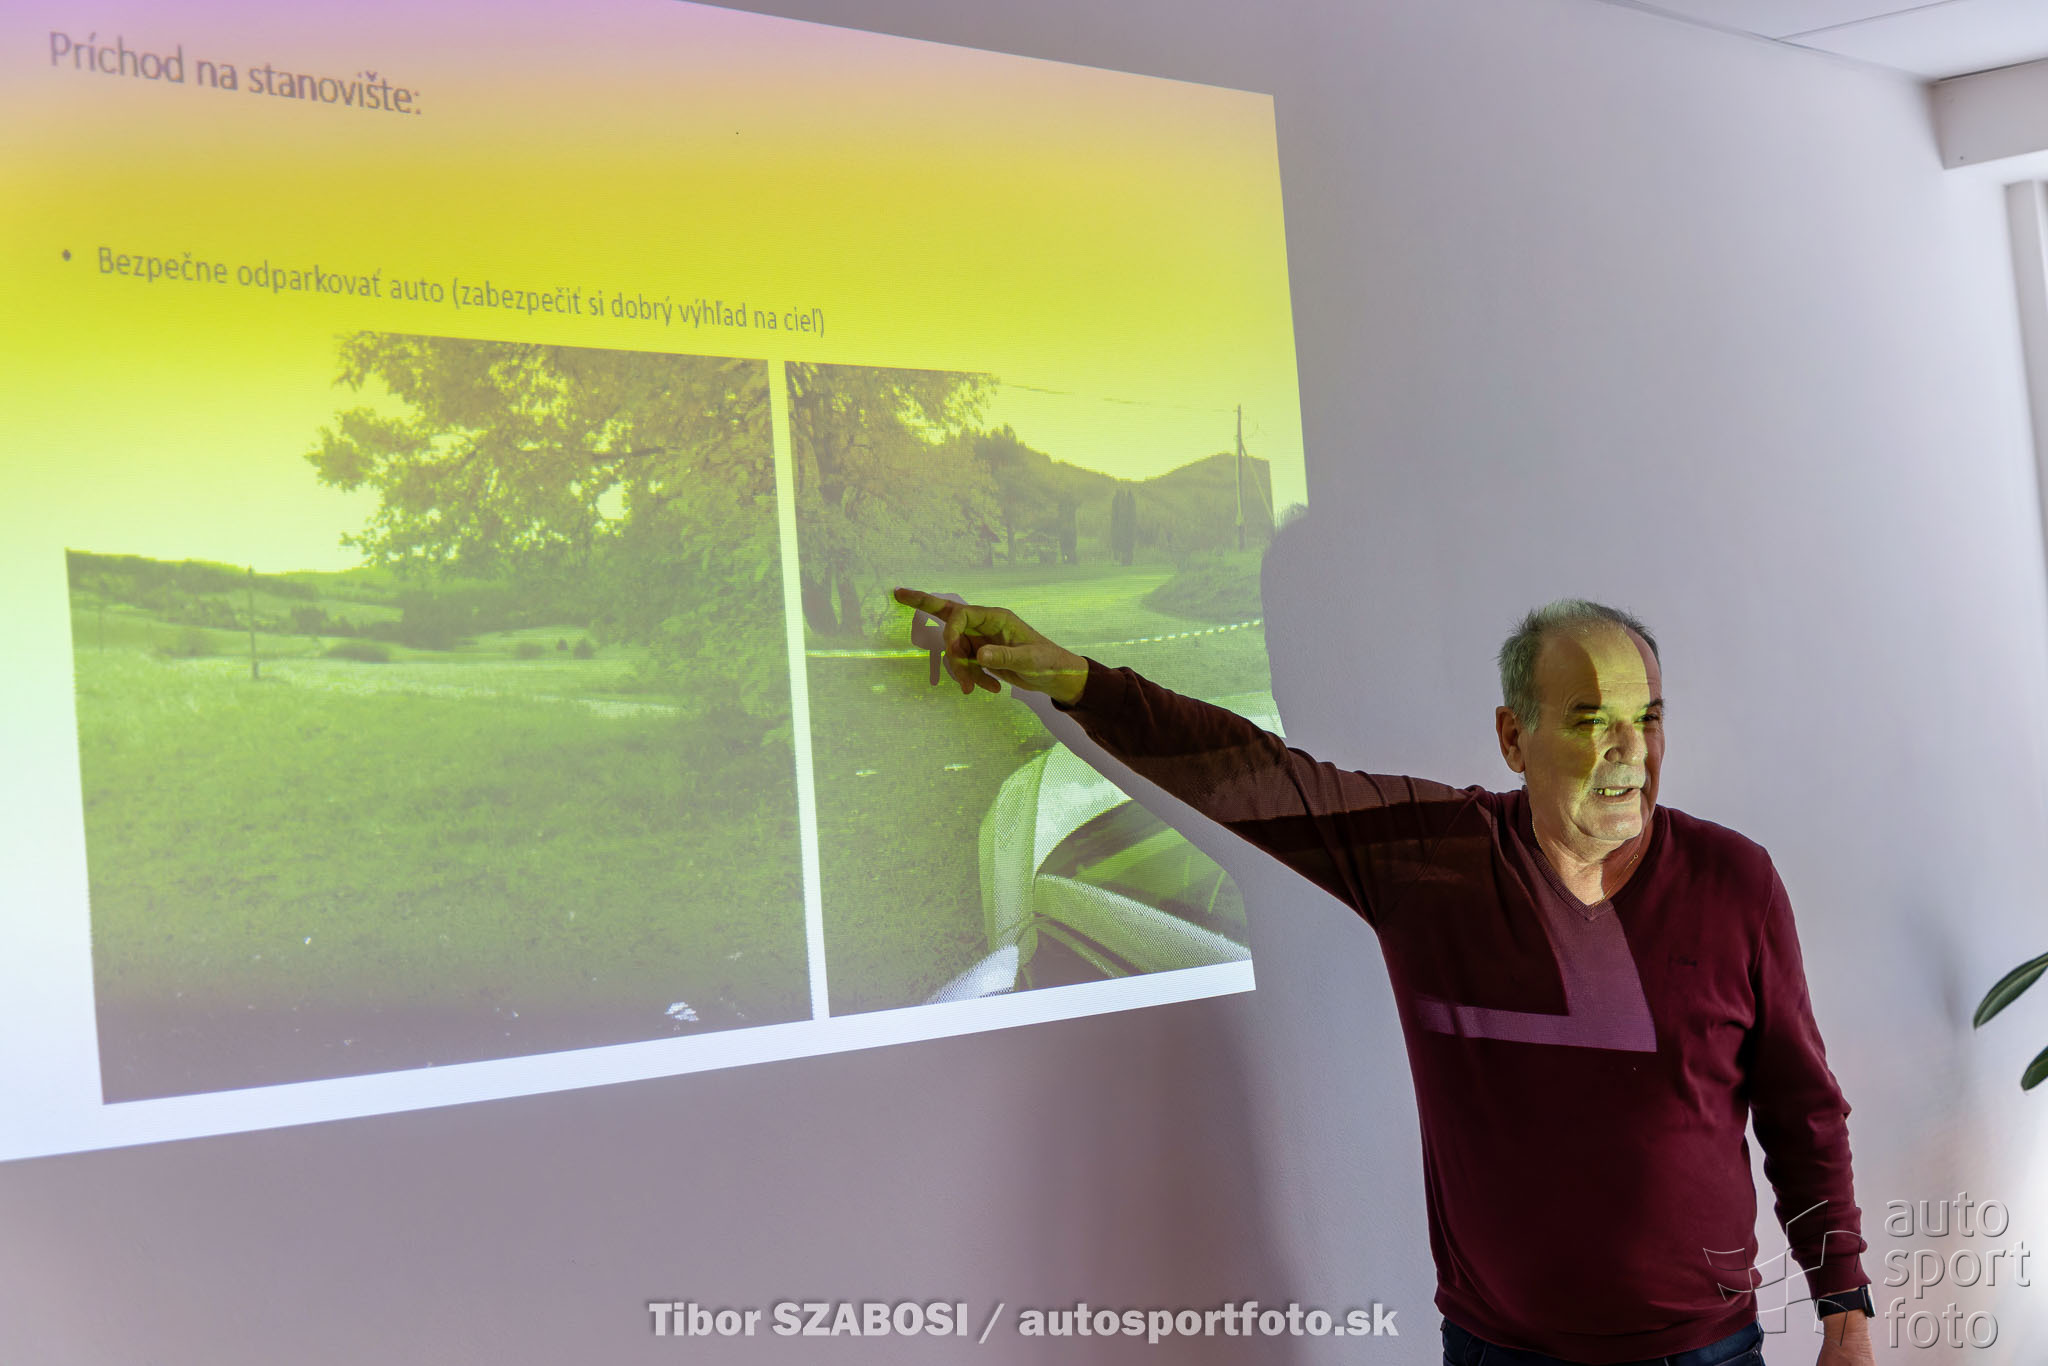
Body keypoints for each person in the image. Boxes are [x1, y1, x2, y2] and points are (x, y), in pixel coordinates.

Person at [893, 587, 1875, 1366]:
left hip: (1701, 1352)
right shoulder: (1432, 862)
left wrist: (1844, 1312)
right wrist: (1071, 677)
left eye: (1646, 718)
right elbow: (1245, 772)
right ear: (1512, 737)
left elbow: (1802, 1113)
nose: (1630, 752)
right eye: (1590, 721)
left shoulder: (1734, 881)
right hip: (1499, 1352)